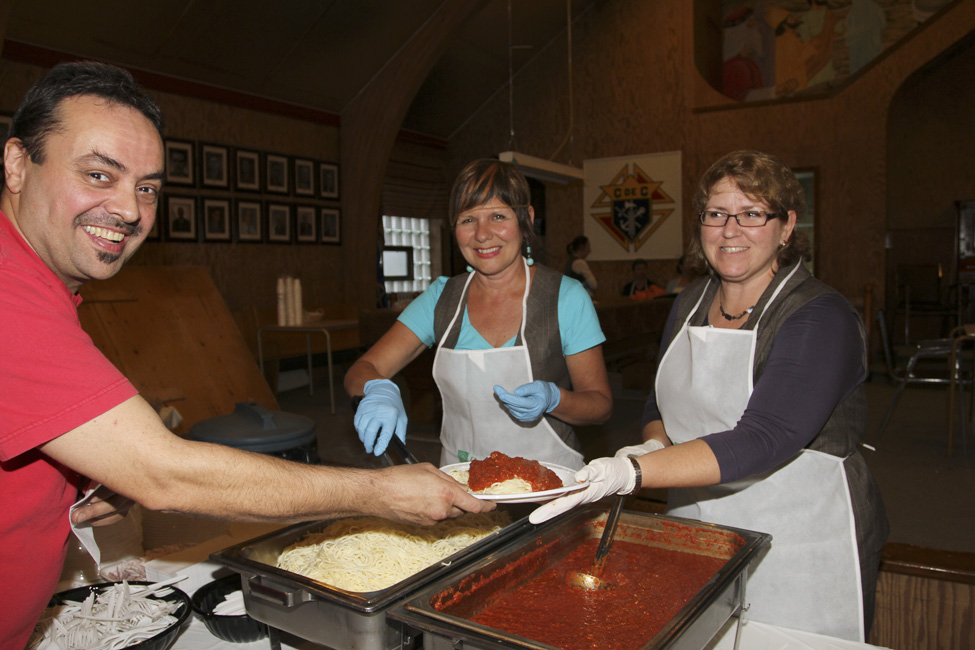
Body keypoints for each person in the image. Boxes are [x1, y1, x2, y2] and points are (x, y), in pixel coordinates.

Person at [0, 61, 492, 649]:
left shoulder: (44, 288)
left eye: (148, 187)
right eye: (100, 175)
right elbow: (165, 472)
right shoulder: (9, 291)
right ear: (16, 164)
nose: (131, 209)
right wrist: (379, 492)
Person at [532, 150, 888, 642]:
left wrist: (634, 471)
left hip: (803, 531)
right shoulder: (688, 302)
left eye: (752, 214)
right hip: (701, 523)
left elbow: (767, 437)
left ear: (786, 227)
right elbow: (660, 403)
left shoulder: (819, 317)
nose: (730, 229)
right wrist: (655, 445)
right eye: (717, 213)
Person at [346, 159, 612, 469]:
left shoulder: (565, 297)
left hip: (550, 481)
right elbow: (361, 369)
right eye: (467, 220)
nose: (482, 234)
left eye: (498, 216)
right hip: (463, 484)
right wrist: (377, 388)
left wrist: (556, 399)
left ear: (526, 219)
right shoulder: (441, 299)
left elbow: (600, 405)